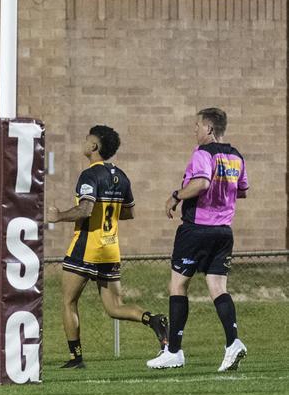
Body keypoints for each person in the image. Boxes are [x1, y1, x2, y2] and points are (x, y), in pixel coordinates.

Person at [47, 125, 168, 369]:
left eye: (86, 139)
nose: (83, 142)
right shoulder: (121, 176)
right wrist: (108, 214)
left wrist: (58, 216)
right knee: (115, 307)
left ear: (94, 146)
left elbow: (85, 209)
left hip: (86, 248)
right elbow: (129, 213)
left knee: (69, 302)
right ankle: (153, 319)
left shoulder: (89, 175)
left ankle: (76, 357)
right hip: (110, 248)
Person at [147, 108, 248, 371]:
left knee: (178, 286)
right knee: (218, 288)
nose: (195, 130)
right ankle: (232, 342)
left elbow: (202, 183)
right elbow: (242, 190)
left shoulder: (203, 153)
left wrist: (176, 195)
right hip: (224, 231)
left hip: (197, 230)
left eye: (197, 126)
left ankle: (174, 352)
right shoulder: (236, 156)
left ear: (210, 129)